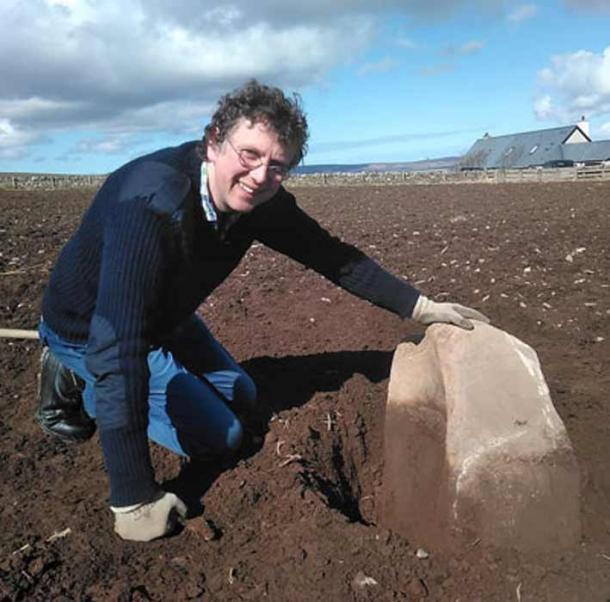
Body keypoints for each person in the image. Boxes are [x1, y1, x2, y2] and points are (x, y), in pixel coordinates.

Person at [37, 80, 488, 542]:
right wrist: (132, 497)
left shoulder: (260, 202)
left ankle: (125, 376)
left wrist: (422, 307)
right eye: (249, 154)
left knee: (246, 397)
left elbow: (331, 256)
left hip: (166, 315)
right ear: (213, 141)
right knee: (224, 437)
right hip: (95, 329)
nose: (259, 175)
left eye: (277, 165)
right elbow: (119, 349)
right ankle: (75, 378)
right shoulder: (150, 205)